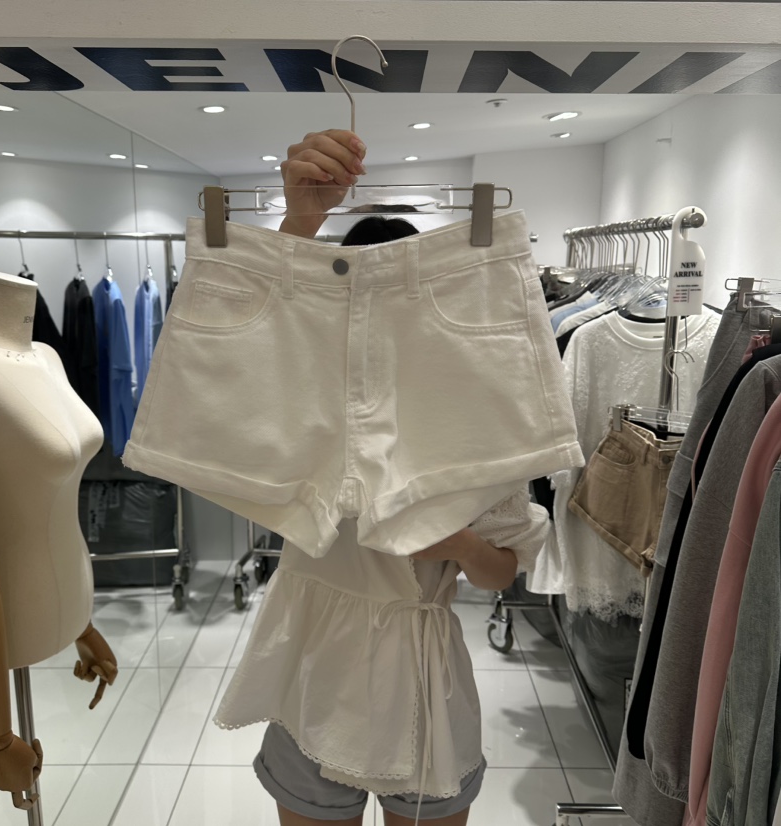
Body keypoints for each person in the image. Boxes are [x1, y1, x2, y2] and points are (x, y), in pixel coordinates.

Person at [219, 130, 552, 826]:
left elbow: (501, 570)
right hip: (313, 666)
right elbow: (250, 353)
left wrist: (460, 544)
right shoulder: (304, 400)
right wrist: (300, 221)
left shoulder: (471, 413)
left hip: (424, 677)